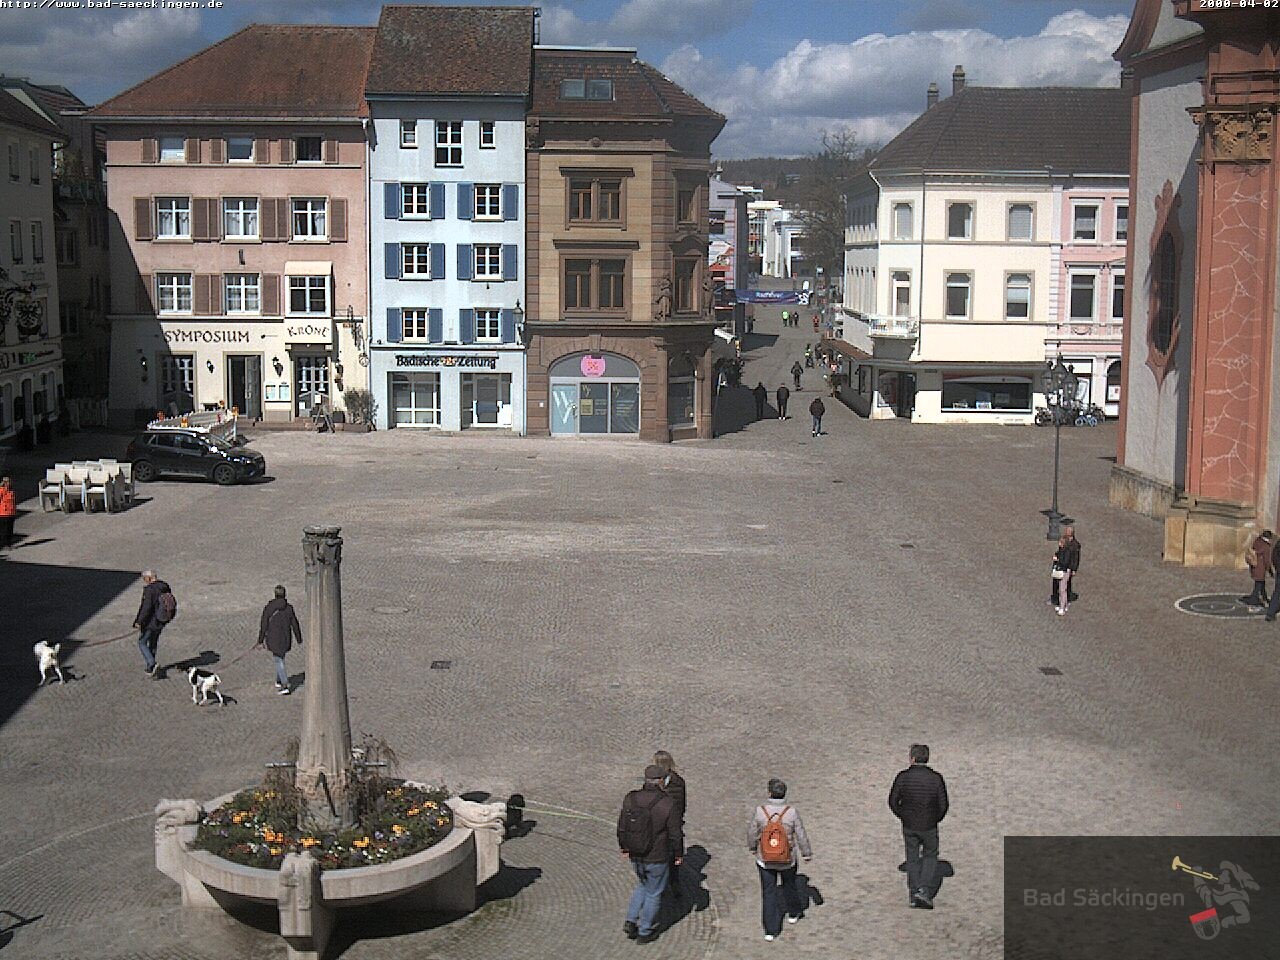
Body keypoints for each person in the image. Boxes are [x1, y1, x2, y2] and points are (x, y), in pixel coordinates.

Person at [618, 764, 683, 944]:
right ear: (661, 781)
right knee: (654, 892)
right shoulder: (667, 803)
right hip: (657, 855)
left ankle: (631, 919)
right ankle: (645, 930)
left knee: (643, 885)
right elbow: (675, 834)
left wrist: (624, 847)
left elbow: (622, 826)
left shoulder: (630, 798)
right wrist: (678, 854)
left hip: (635, 853)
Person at [748, 778, 813, 941]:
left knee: (768, 893)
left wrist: (753, 847)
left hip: (765, 859)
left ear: (769, 793)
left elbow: (752, 833)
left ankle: (770, 929)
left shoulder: (760, 811)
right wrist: (806, 853)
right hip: (787, 858)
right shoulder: (791, 812)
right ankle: (793, 912)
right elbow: (801, 834)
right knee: (789, 886)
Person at [888, 744, 949, 910]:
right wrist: (935, 819)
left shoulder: (903, 777)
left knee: (913, 858)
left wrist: (903, 815)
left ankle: (914, 892)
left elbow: (893, 801)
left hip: (909, 825)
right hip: (929, 824)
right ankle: (924, 889)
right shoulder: (936, 778)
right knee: (930, 856)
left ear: (912, 758)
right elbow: (943, 805)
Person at [257, 585, 303, 694]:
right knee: (280, 658)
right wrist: (299, 638)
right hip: (285, 638)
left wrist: (260, 640)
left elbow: (264, 625)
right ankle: (279, 680)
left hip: (273, 639)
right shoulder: (289, 608)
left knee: (279, 660)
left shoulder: (269, 608)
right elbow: (295, 624)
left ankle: (284, 684)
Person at [653, 750, 686, 898]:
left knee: (669, 857)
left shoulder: (657, 783)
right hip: (671, 824)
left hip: (666, 826)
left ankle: (672, 884)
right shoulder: (679, 782)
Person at [133, 570, 172, 676]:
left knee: (142, 642)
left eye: (144, 578)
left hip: (151, 621)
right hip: (161, 620)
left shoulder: (150, 590)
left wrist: (138, 621)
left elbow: (146, 607)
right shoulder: (164, 586)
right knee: (153, 642)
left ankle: (152, 663)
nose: (144, 581)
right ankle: (151, 668)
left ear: (149, 578)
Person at [1050, 525, 1081, 613]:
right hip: (1062, 568)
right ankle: (1062, 603)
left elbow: (1075, 558)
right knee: (1061, 586)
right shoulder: (1065, 544)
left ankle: (1063, 605)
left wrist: (1074, 569)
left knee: (1063, 588)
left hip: (1066, 568)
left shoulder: (1075, 545)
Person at [1242, 529, 1273, 607]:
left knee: (1261, 584)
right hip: (1260, 569)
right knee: (1258, 585)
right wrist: (1270, 570)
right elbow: (1267, 561)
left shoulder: (1257, 541)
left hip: (1254, 567)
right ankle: (1253, 599)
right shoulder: (1266, 547)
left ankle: (1265, 598)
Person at [0, 476, 16, 551]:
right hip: (3, 513)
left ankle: (9, 544)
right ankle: (4, 544)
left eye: (9, 482)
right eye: (6, 482)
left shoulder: (11, 491)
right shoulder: (1, 490)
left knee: (10, 529)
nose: (8, 483)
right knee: (4, 530)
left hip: (11, 512)